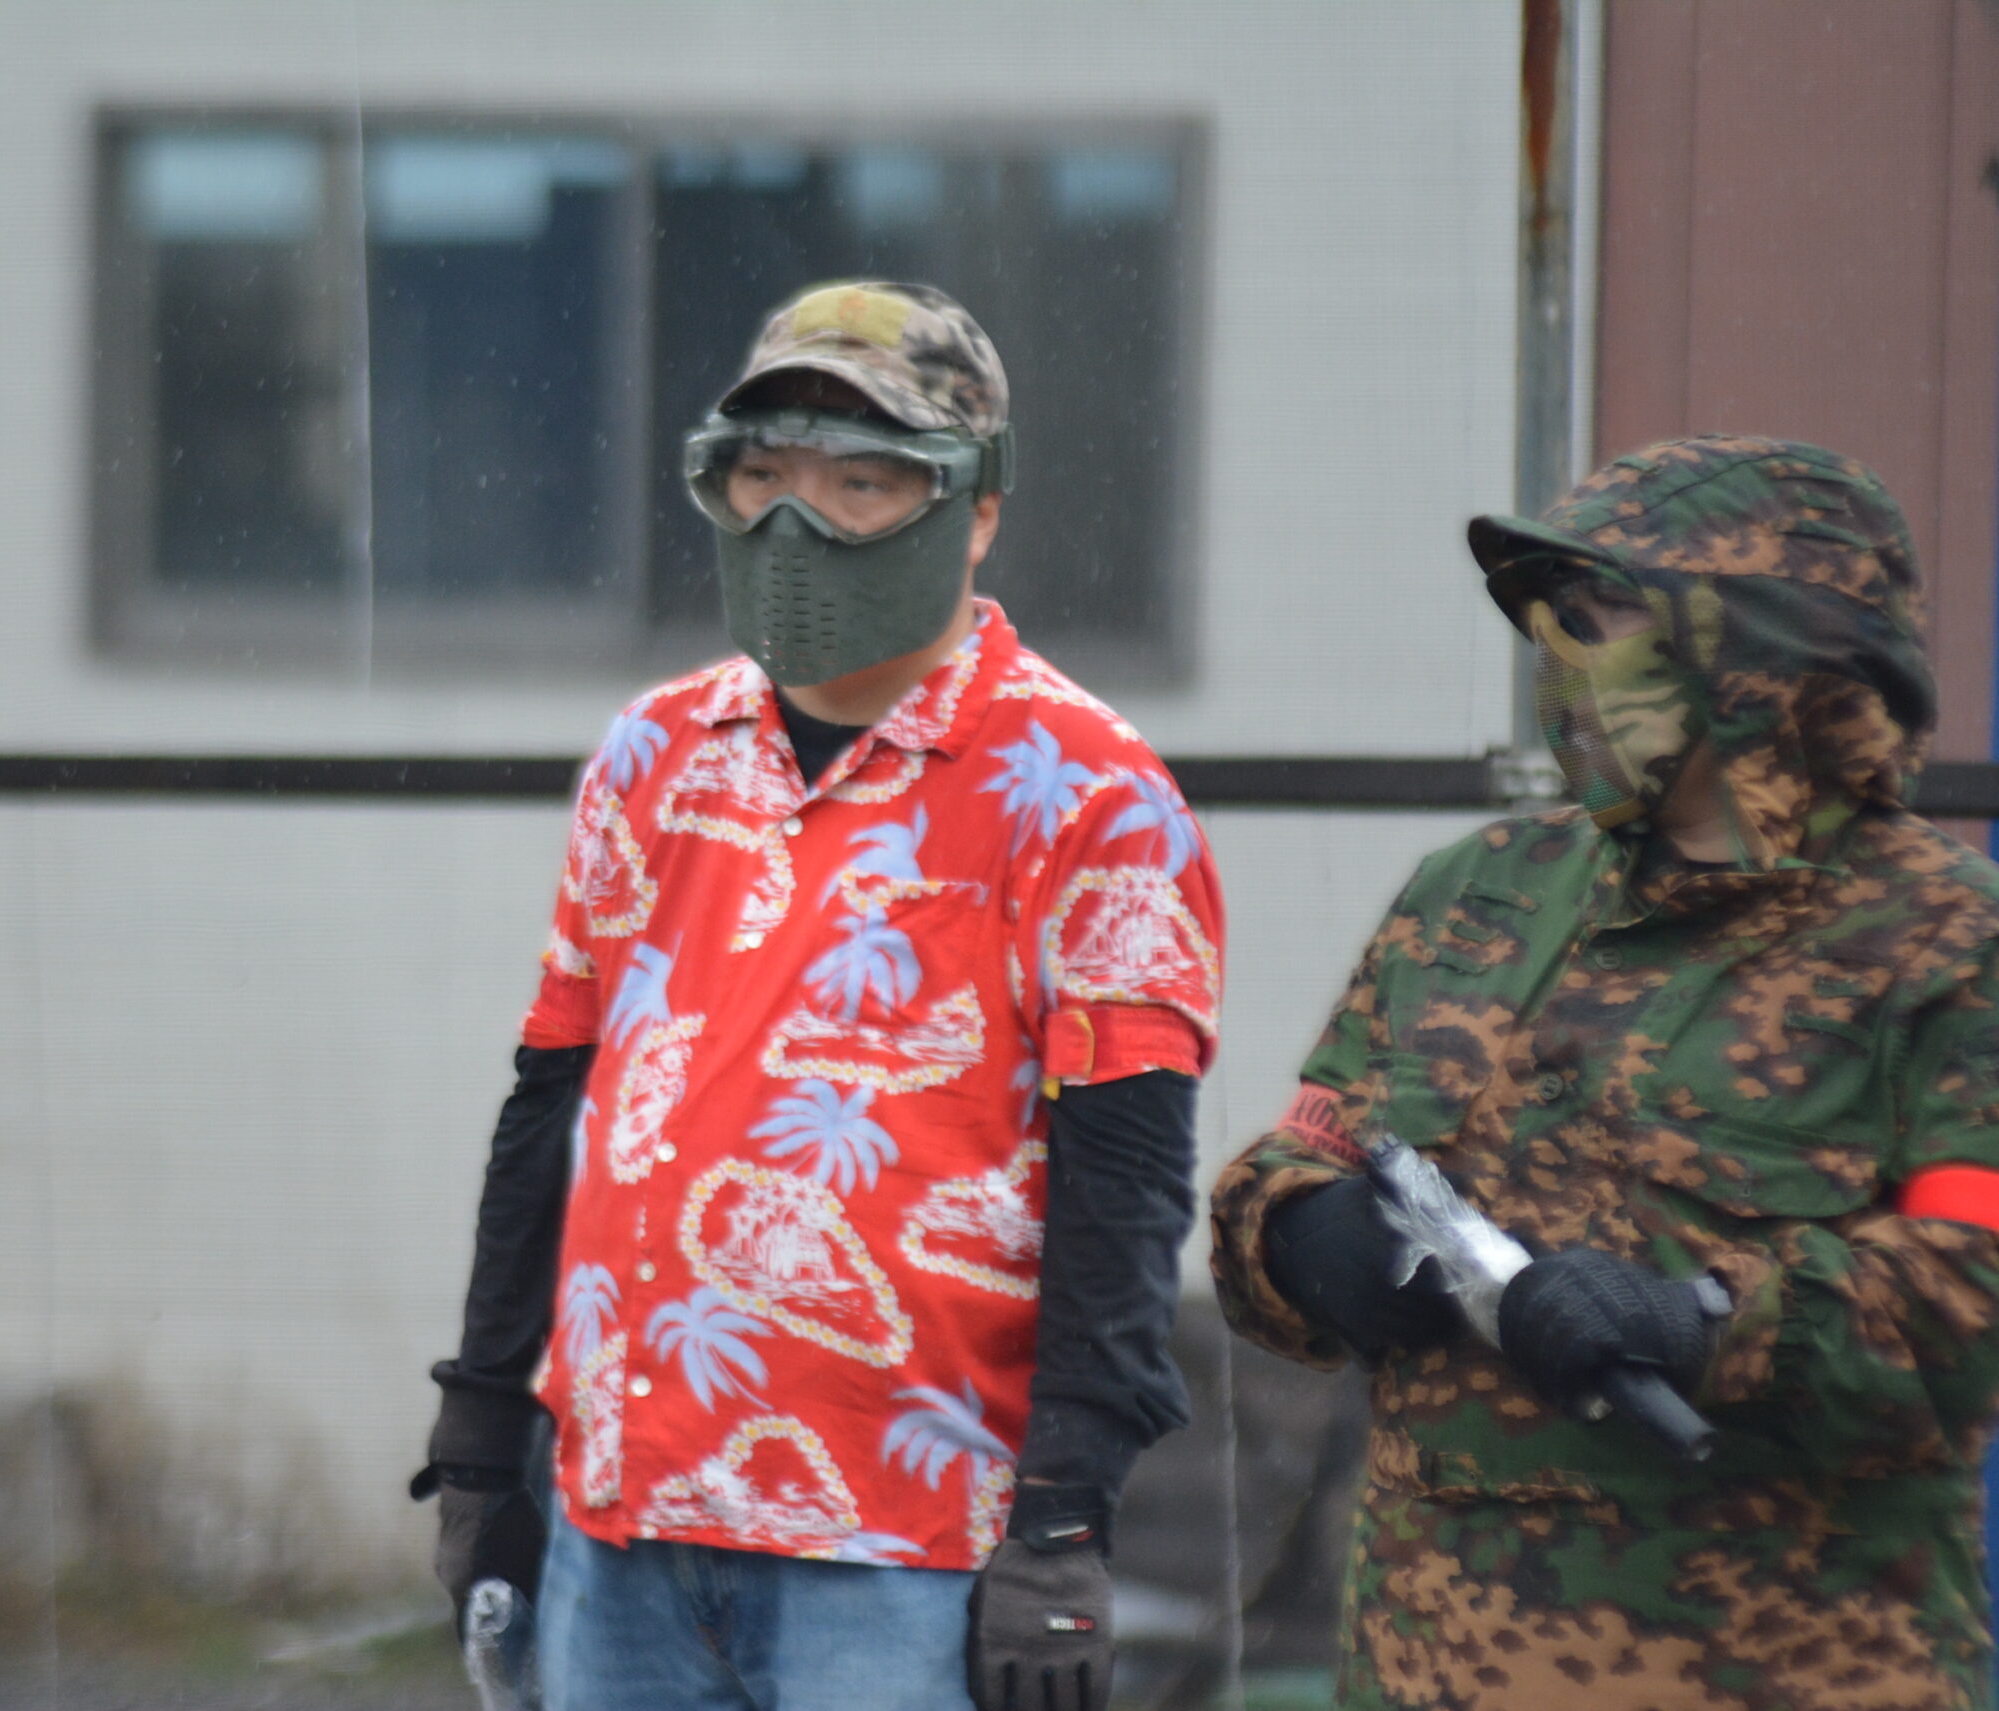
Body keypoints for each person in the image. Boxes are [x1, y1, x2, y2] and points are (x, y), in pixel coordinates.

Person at [412, 281, 1225, 1711]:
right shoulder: (654, 751)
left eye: (862, 482)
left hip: (905, 1542)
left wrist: (1063, 1518)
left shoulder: (1088, 792)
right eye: (764, 475)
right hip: (624, 1512)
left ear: (975, 507)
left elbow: (1126, 1184)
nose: (798, 523)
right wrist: (483, 1435)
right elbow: (554, 1100)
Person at [1209, 435, 1999, 1711]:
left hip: (1772, 1669)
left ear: (1762, 649)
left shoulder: (1948, 938)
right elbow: (1302, 1151)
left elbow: (1973, 1290)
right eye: (1553, 617)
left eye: (1605, 614)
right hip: (1426, 1672)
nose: (1561, 654)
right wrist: (1303, 1236)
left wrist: (1696, 1322)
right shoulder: (1477, 895)